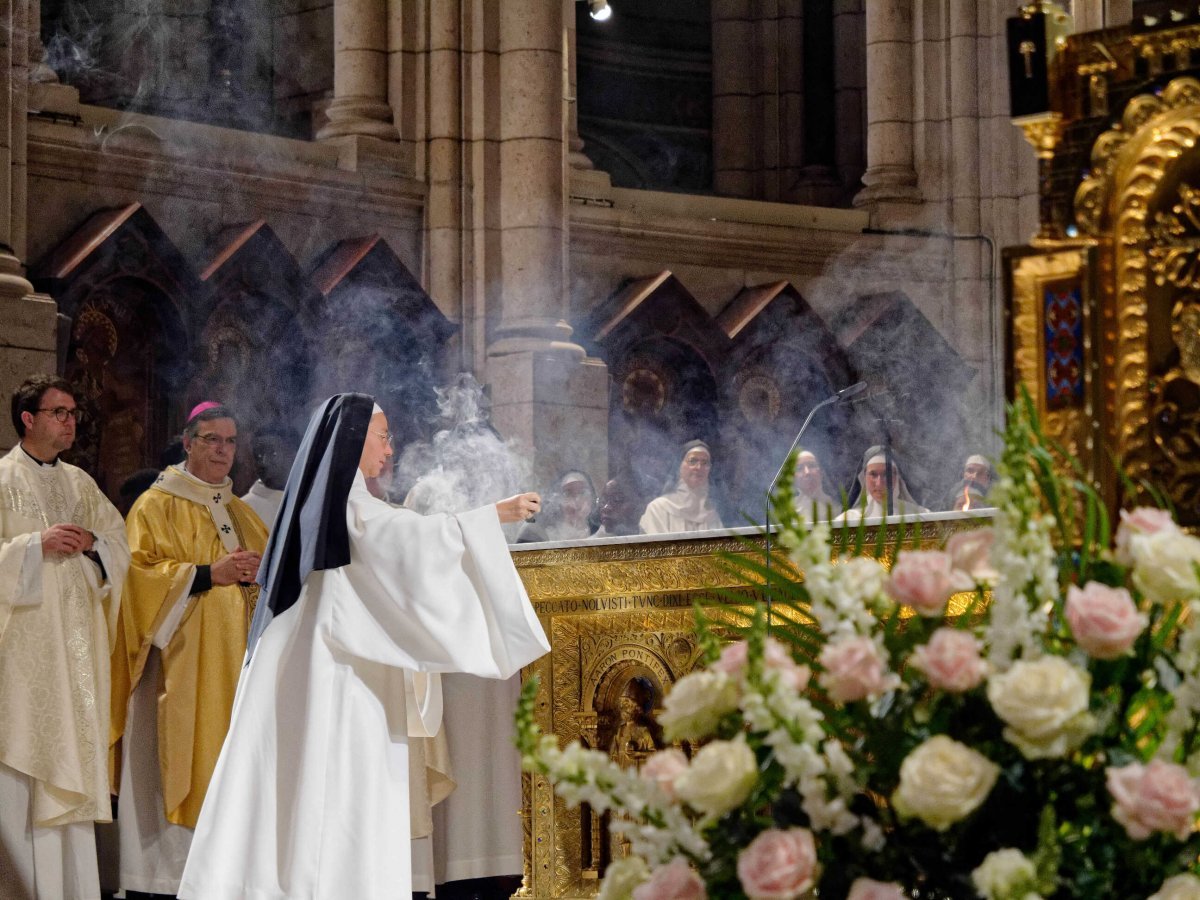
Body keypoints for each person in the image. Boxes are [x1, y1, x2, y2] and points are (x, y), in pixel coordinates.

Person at [176, 393, 550, 900]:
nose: (390, 449)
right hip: (338, 686)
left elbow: (404, 539)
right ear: (353, 440)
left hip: (335, 676)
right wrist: (490, 517)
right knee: (335, 797)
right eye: (383, 435)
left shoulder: (345, 509)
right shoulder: (351, 513)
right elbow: (410, 541)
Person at [110, 401, 269, 898]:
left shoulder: (243, 511)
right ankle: (162, 881)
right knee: (175, 767)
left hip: (239, 674)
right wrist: (205, 575)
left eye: (229, 441)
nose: (222, 450)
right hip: (179, 676)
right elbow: (135, 580)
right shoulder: (156, 505)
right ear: (188, 443)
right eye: (211, 439)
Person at [0, 375, 131, 900]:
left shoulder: (81, 484)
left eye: (73, 412)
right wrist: (34, 545)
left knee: (72, 764)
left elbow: (120, 544)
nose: (70, 421)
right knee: (23, 766)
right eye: (58, 412)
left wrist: (94, 543)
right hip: (24, 660)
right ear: (28, 419)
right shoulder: (3, 478)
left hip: (77, 658)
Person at [639, 440, 724, 534]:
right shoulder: (658, 509)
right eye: (693, 461)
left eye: (705, 463)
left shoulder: (711, 515)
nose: (699, 467)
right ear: (679, 466)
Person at [833, 445, 930, 524]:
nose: (879, 484)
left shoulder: (922, 517)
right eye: (873, 474)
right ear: (864, 478)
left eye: (887, 474)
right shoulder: (847, 521)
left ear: (898, 477)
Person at [241, 424, 299, 529]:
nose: (264, 462)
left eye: (274, 453)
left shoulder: (308, 499)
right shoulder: (244, 510)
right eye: (259, 455)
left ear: (295, 455)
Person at [516, 470, 597, 543]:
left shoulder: (599, 530)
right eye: (567, 493)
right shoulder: (537, 532)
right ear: (557, 498)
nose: (576, 500)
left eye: (582, 492)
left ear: (592, 497)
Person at [791, 449, 835, 523]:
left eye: (812, 466)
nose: (807, 472)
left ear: (821, 472)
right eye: (799, 468)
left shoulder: (835, 508)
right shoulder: (786, 512)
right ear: (793, 477)